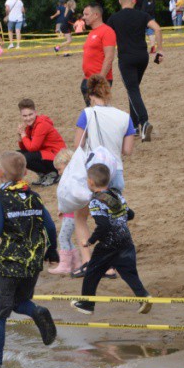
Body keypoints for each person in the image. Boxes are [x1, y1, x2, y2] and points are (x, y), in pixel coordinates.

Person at [0, 151, 58, 367]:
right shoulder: (34, 196)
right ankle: (37, 311)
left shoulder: (0, 199)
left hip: (10, 264)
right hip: (33, 262)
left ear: (0, 174)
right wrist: (52, 253)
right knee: (19, 302)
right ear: (25, 173)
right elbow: (50, 227)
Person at [70, 75, 136, 277]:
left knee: (81, 217)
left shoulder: (87, 114)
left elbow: (77, 146)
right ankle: (111, 262)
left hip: (93, 171)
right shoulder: (125, 116)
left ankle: (89, 261)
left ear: (90, 95)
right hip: (115, 171)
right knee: (112, 219)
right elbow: (127, 150)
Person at [71, 163, 152, 315]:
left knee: (92, 273)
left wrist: (90, 241)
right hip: (125, 240)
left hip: (108, 244)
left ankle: (86, 304)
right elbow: (130, 214)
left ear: (90, 182)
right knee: (129, 272)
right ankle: (144, 296)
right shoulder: (117, 195)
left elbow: (103, 226)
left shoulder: (95, 201)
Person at [107, 0, 163, 140]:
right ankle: (134, 126)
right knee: (134, 90)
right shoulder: (143, 15)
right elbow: (157, 29)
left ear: (120, 2)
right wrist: (160, 51)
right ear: (134, 1)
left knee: (132, 90)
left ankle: (144, 122)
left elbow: (107, 37)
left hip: (126, 59)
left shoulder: (114, 18)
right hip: (142, 57)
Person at [46, 148, 81, 275]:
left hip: (72, 214)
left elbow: (69, 196)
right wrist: (62, 209)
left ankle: (65, 265)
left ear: (68, 165)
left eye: (60, 169)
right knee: (66, 238)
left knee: (62, 237)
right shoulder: (72, 178)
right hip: (69, 213)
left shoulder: (72, 179)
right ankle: (76, 263)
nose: (59, 173)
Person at [16, 98, 66, 186]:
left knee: (25, 157)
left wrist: (23, 134)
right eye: (25, 116)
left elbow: (32, 148)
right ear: (21, 116)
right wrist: (20, 138)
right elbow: (25, 148)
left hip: (58, 156)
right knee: (17, 156)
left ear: (35, 112)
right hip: (46, 153)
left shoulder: (41, 125)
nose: (28, 118)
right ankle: (45, 174)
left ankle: (53, 173)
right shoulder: (29, 126)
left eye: (30, 114)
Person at [79, 3, 115, 105]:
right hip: (88, 80)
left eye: (86, 14)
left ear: (96, 15)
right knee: (92, 113)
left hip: (99, 80)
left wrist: (100, 80)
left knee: (100, 113)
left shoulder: (107, 31)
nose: (83, 17)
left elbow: (109, 57)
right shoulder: (92, 33)